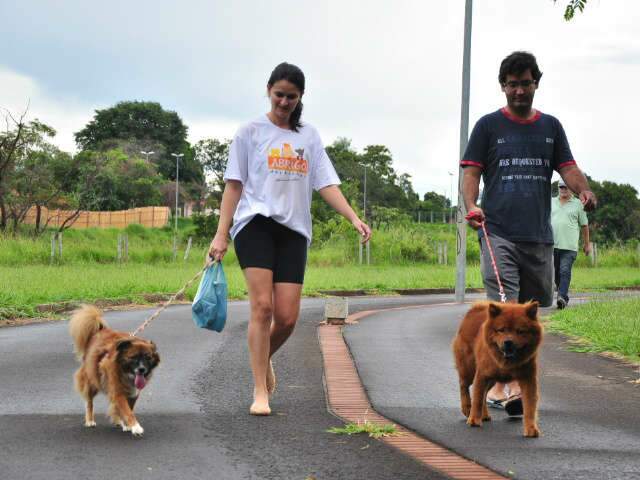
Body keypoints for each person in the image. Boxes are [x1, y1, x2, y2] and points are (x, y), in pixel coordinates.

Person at [208, 62, 371, 416]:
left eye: (291, 97)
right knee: (262, 307)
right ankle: (259, 391)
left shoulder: (308, 136)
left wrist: (353, 217)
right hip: (255, 224)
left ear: (301, 98)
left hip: (294, 231)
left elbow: (326, 182)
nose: (284, 102)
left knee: (286, 318)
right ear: (269, 90)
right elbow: (234, 185)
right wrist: (221, 235)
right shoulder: (249, 132)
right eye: (279, 94)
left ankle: (262, 356)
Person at [461, 51, 597, 416]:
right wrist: (471, 206)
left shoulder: (550, 127)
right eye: (512, 84)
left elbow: (568, 167)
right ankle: (505, 387)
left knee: (533, 309)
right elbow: (471, 173)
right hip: (498, 231)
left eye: (525, 83)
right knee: (506, 308)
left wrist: (583, 190)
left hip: (537, 236)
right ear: (503, 87)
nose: (519, 90)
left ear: (536, 83)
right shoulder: (488, 127)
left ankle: (495, 380)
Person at [551, 178, 590, 309]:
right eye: (561, 187)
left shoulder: (579, 204)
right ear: (558, 188)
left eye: (566, 187)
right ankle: (561, 292)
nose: (563, 190)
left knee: (564, 270)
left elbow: (584, 225)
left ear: (571, 189)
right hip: (552, 245)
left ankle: (562, 297)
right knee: (556, 273)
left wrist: (586, 244)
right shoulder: (551, 202)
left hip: (569, 247)